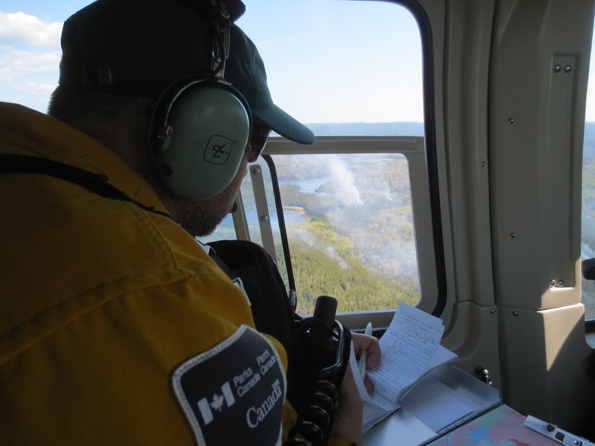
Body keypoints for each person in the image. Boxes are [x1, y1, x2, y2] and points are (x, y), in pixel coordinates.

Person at [0, 0, 379, 444]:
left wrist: (306, 346)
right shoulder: (153, 289)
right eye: (252, 138)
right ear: (208, 132)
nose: (249, 162)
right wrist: (344, 432)